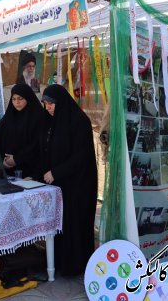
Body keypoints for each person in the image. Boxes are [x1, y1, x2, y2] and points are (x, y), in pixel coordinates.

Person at [39, 84, 97, 276]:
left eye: (51, 104)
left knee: (76, 224)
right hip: (62, 184)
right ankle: (62, 264)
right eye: (45, 104)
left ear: (61, 102)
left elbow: (80, 156)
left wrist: (56, 172)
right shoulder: (53, 121)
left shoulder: (80, 121)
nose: (47, 108)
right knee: (62, 225)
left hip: (78, 184)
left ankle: (78, 266)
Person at [0, 83, 43, 178]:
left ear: (28, 98)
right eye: (14, 99)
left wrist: (16, 159)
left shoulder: (37, 117)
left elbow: (36, 144)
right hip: (7, 170)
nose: (17, 102)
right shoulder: (9, 117)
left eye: (20, 99)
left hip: (29, 172)